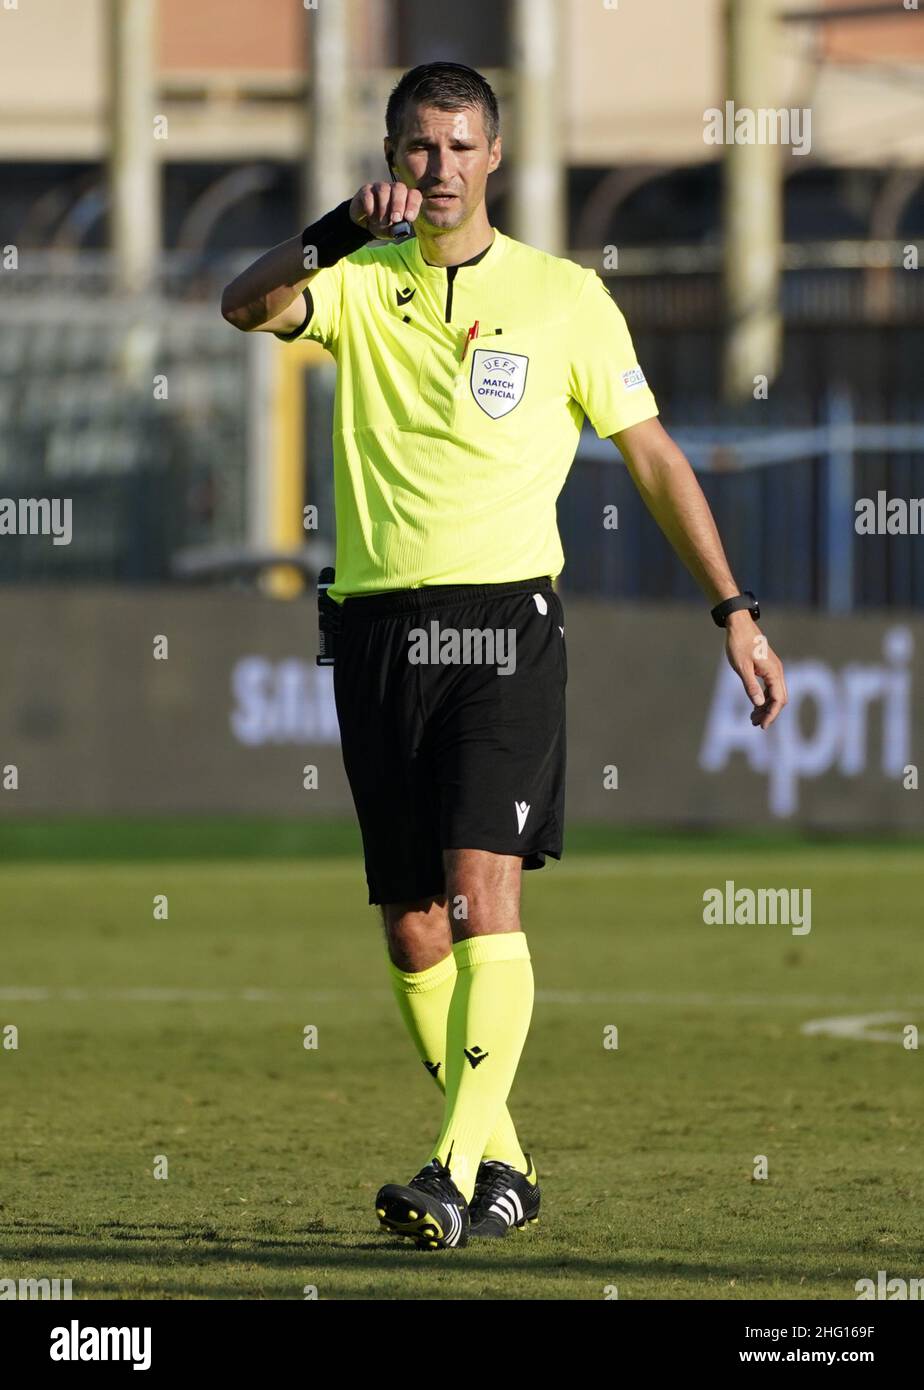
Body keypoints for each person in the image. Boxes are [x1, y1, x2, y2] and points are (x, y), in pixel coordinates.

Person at [221, 61, 788, 1250]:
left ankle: (447, 1167)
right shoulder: (359, 280)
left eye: (462, 147)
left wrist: (733, 605)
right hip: (376, 626)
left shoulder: (565, 296)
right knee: (413, 926)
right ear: (392, 156)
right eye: (420, 148)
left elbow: (655, 459)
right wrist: (327, 233)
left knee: (484, 900)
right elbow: (238, 304)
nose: (441, 170)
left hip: (503, 628)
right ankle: (508, 1165)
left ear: (496, 156)